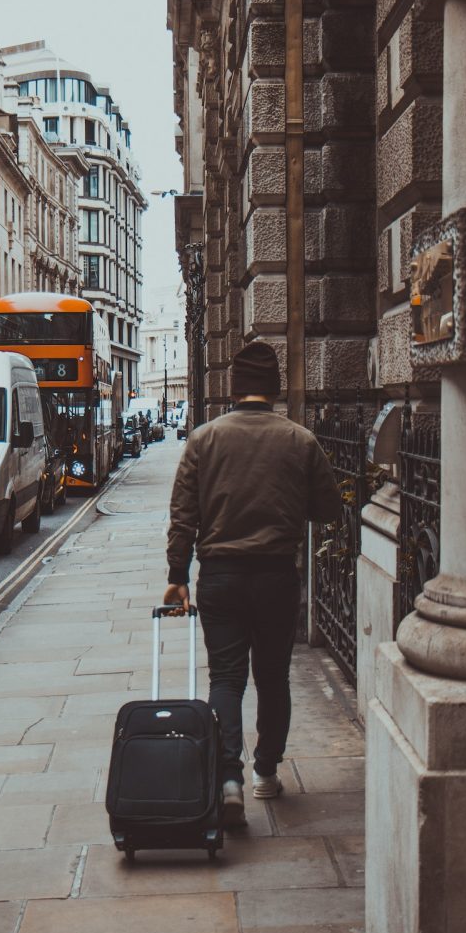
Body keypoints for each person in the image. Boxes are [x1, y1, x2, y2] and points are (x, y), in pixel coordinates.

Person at [163, 341, 343, 827]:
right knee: (272, 677)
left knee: (225, 679)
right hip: (276, 577)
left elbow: (183, 516)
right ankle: (266, 772)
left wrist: (177, 577)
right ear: (275, 388)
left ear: (233, 387)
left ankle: (228, 781)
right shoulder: (300, 440)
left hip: (219, 577)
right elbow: (329, 509)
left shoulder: (203, 439)